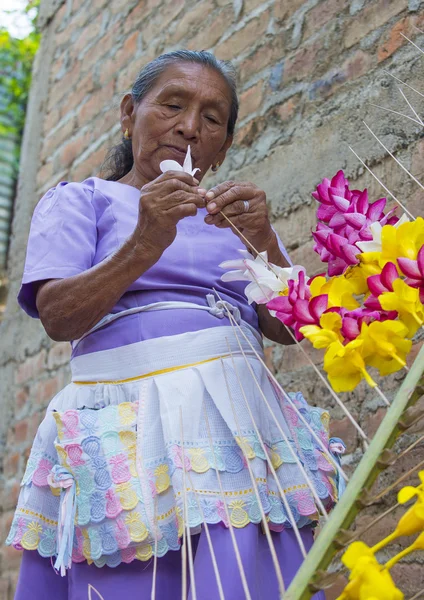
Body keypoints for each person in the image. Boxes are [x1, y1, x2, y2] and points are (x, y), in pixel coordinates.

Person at [7, 50, 337, 599]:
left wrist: (263, 240)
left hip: (235, 430)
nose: (189, 127)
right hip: (131, 424)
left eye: (212, 119)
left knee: (244, 575)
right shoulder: (80, 201)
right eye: (172, 106)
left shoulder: (230, 220)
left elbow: (291, 330)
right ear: (129, 113)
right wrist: (144, 239)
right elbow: (59, 317)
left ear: (225, 144)